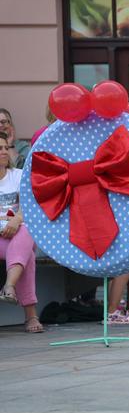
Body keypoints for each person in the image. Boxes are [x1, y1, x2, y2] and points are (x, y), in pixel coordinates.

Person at [0, 131, 43, 333]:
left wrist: (17, 219)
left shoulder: (18, 176)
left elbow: (29, 205)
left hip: (17, 233)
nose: (4, 152)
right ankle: (30, 316)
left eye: (5, 148)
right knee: (28, 256)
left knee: (26, 231)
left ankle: (9, 286)